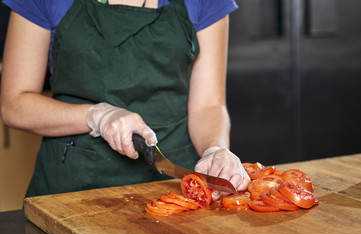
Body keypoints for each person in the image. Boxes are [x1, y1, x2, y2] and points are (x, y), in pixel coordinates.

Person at [0, 0, 250, 200]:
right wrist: (97, 115)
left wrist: (215, 149)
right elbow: (14, 104)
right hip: (70, 185)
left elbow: (208, 105)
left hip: (174, 186)